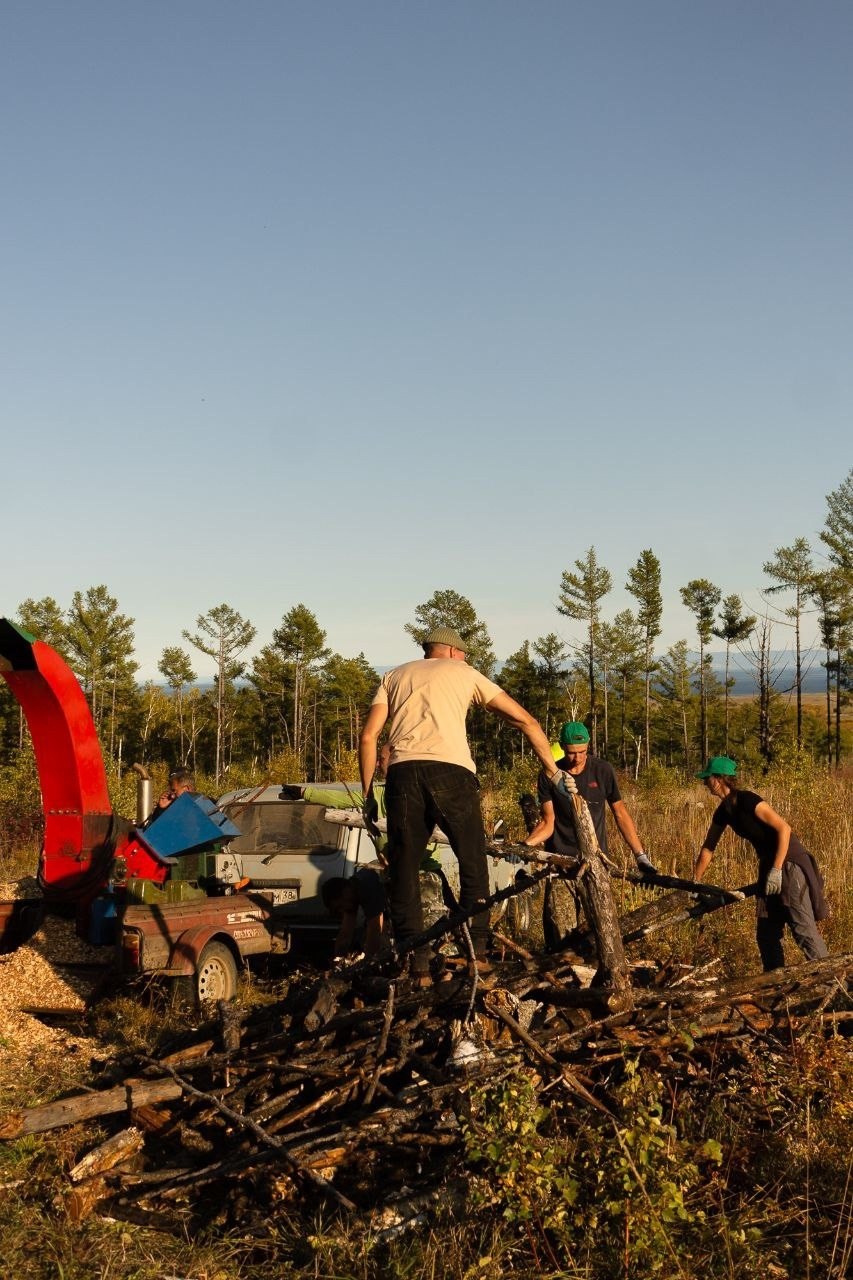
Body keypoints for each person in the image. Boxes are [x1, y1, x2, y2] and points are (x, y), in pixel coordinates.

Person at [358, 625, 559, 984]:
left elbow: (369, 735)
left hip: (403, 774)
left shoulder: (394, 675)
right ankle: (476, 954)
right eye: (465, 654)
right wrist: (551, 769)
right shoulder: (463, 672)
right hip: (451, 772)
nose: (466, 659)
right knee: (472, 861)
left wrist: (368, 793)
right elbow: (524, 719)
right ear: (452, 651)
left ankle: (415, 963)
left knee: (403, 869)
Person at [693, 755, 829, 972]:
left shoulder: (749, 800)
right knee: (766, 932)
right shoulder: (723, 812)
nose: (704, 783)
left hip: (789, 862)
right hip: (769, 866)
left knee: (802, 928)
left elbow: (784, 829)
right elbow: (708, 848)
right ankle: (775, 985)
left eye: (707, 778)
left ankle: (832, 980)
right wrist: (695, 883)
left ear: (719, 779)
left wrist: (776, 869)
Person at [523, 721, 655, 883]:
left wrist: (640, 856)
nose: (577, 758)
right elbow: (548, 821)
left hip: (596, 862)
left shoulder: (603, 770)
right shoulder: (549, 775)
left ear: (588, 746)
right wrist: (526, 845)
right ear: (563, 747)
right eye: (572, 752)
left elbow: (620, 813)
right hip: (559, 864)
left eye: (582, 751)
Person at [321, 868, 387, 962]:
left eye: (340, 906)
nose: (341, 911)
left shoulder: (367, 887)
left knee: (374, 938)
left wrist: (367, 961)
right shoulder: (352, 893)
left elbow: (375, 929)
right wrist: (338, 959)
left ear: (345, 892)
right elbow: (345, 932)